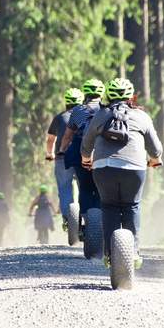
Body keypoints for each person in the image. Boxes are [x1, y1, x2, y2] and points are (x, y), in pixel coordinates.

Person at [80, 78, 163, 269]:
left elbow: (87, 143)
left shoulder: (100, 115)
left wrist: (86, 159)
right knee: (131, 206)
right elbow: (156, 149)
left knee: (108, 206)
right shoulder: (142, 116)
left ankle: (110, 254)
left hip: (102, 168)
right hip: (134, 169)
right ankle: (132, 252)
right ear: (131, 97)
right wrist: (155, 160)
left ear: (107, 95)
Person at [59, 79, 105, 221]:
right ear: (102, 93)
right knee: (100, 188)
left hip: (81, 153)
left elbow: (68, 135)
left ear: (86, 93)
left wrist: (62, 149)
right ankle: (100, 220)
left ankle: (85, 222)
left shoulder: (78, 110)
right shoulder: (106, 110)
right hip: (102, 152)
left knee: (84, 188)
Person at [45, 87, 84, 229]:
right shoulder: (86, 116)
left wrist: (49, 154)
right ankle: (87, 216)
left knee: (64, 188)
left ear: (66, 102)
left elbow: (50, 140)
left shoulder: (59, 117)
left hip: (62, 159)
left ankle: (68, 219)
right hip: (82, 158)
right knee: (85, 187)